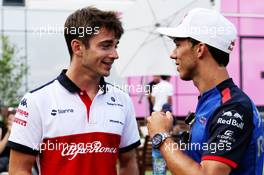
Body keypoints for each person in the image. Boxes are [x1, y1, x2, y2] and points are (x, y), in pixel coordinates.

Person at [8, 7, 140, 175]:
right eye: (106, 46)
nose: (115, 54)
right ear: (77, 47)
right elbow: (19, 170)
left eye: (116, 45)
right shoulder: (36, 101)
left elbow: (128, 163)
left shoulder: (122, 99)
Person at [147, 8, 264, 175]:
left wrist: (161, 137)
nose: (173, 55)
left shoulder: (232, 107)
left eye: (178, 45)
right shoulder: (213, 101)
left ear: (200, 49)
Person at [151, 75, 173, 175]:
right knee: (165, 141)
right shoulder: (169, 86)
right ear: (168, 77)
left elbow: (152, 99)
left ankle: (158, 171)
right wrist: (167, 110)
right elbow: (169, 100)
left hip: (155, 113)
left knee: (156, 143)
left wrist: (156, 107)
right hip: (165, 114)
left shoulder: (156, 86)